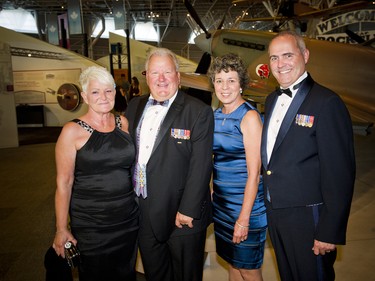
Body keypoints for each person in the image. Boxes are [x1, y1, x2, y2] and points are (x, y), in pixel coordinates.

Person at [261, 30, 355, 281]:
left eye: (288, 55)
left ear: (305, 55)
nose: (280, 64)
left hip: (309, 217)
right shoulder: (271, 100)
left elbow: (340, 172)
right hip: (277, 211)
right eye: (273, 58)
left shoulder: (327, 102)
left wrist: (329, 230)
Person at [125, 47, 214, 281]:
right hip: (143, 211)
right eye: (154, 73)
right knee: (156, 275)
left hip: (181, 216)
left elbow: (201, 165)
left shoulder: (199, 111)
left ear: (178, 75)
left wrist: (188, 209)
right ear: (146, 76)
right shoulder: (134, 105)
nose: (161, 79)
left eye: (167, 72)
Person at [52, 66, 139, 281]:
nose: (103, 97)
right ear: (84, 96)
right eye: (95, 92)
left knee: (125, 274)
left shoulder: (123, 123)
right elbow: (64, 183)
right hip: (91, 224)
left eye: (108, 91)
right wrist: (61, 228)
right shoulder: (72, 131)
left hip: (127, 219)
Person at [208, 53, 267, 281]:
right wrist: (213, 190)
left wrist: (243, 218)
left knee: (249, 270)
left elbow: (255, 175)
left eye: (231, 80)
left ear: (241, 84)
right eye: (219, 80)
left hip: (246, 207)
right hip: (222, 205)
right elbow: (216, 161)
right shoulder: (215, 115)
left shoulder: (249, 117)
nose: (225, 87)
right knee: (233, 264)